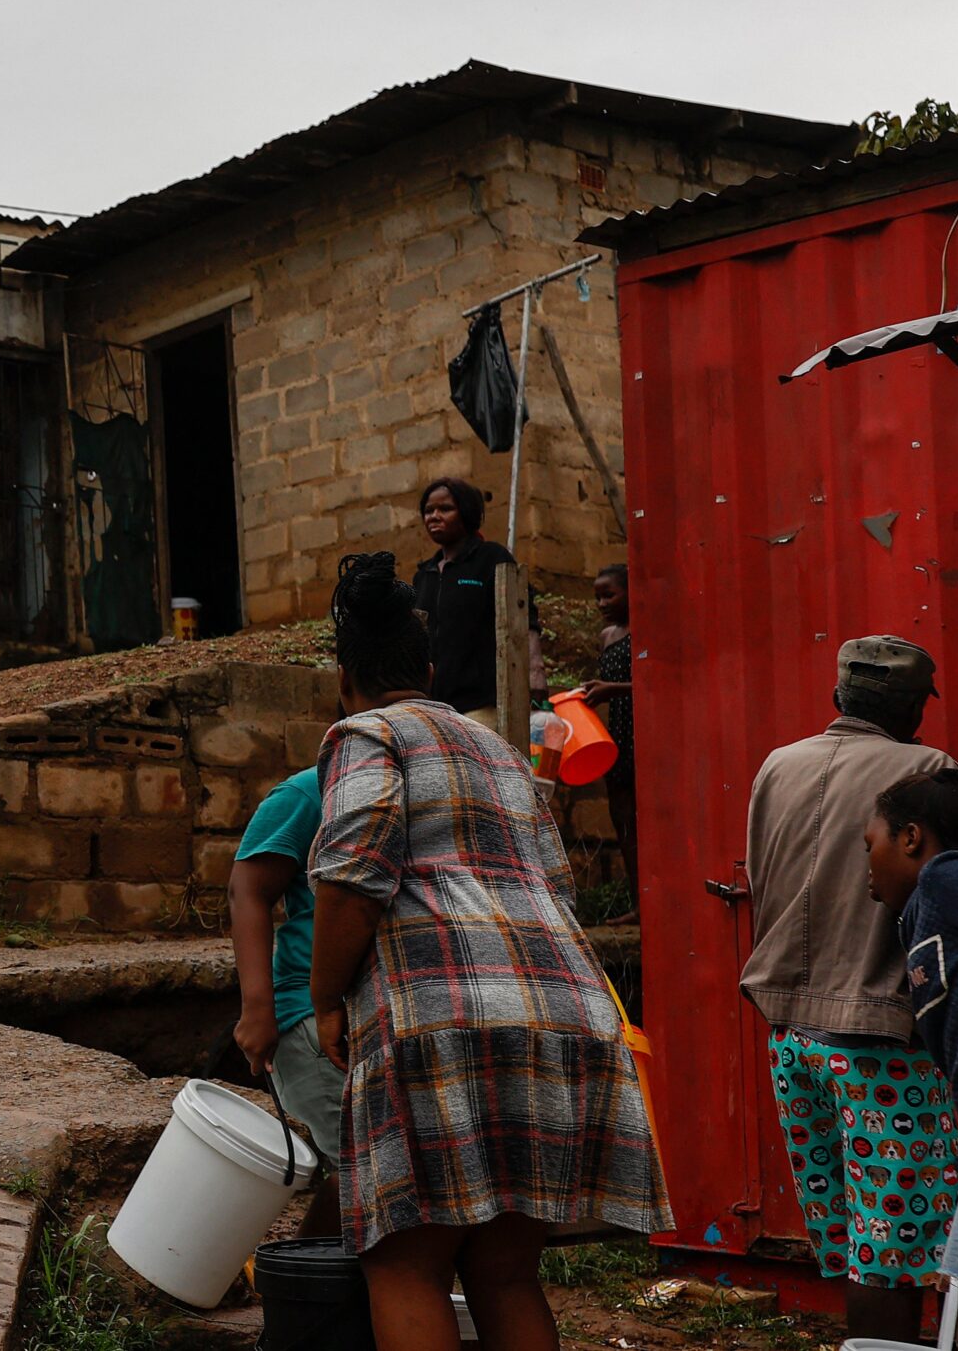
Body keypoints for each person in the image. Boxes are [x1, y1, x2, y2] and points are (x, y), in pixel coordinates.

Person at [310, 551, 667, 1351]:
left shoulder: (364, 734)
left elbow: (354, 877)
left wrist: (324, 1000)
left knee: (405, 1266)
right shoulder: (498, 750)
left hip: (439, 1018)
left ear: (345, 677)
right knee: (505, 1274)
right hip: (560, 1014)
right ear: (429, 671)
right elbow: (558, 885)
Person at [745, 637, 958, 1341]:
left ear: (841, 697)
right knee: (892, 1259)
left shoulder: (779, 765)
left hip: (791, 1041)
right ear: (909, 707)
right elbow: (950, 901)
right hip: (884, 1047)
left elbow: (758, 880)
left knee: (851, 1247)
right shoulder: (926, 771)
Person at [867, 768, 958, 1351]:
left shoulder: (948, 877)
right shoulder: (921, 915)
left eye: (872, 846)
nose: (868, 864)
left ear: (911, 838)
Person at [228, 761, 343, 1240]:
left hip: (374, 1015)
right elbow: (247, 888)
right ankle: (302, 1295)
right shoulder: (308, 791)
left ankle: (308, 1291)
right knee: (362, 1171)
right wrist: (259, 1011)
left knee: (367, 1173)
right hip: (313, 1019)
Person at [410, 476, 536, 731]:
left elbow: (525, 619)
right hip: (433, 709)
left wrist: (535, 673)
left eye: (445, 509)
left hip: (481, 706)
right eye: (428, 511)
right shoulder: (425, 574)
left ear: (467, 512)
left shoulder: (491, 559)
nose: (434, 516)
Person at [581, 563, 638, 915]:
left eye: (609, 594)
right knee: (623, 820)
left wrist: (610, 690)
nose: (602, 603)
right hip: (617, 735)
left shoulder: (645, 632)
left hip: (643, 733)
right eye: (597, 597)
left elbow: (656, 683)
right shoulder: (607, 636)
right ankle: (638, 902)